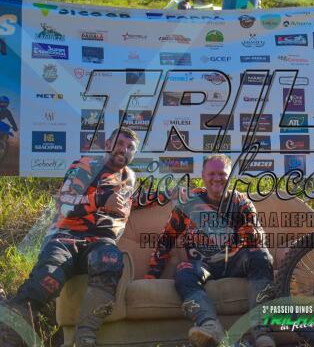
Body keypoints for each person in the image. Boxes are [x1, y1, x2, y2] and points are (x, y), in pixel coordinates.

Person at [0, 127, 139, 347]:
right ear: (107, 145)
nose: (124, 149)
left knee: (111, 260)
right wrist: (101, 199)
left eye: (130, 147)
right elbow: (64, 204)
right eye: (119, 143)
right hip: (67, 237)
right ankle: (8, 332)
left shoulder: (130, 177)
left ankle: (85, 337)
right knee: (46, 280)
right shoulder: (86, 165)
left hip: (100, 243)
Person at [144, 154, 276, 347]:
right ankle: (210, 327)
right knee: (183, 271)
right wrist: (151, 275)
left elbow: (259, 239)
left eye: (222, 174)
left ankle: (261, 331)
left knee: (261, 255)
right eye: (211, 173)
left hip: (235, 261)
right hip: (202, 264)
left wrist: (251, 234)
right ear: (203, 176)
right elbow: (167, 238)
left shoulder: (241, 202)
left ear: (230, 177)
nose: (217, 178)